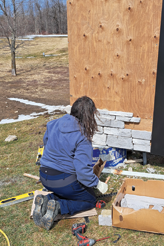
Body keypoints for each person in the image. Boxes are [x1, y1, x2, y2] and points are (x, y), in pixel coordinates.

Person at [33, 96, 108, 230]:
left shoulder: (54, 123)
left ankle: (46, 200)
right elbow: (82, 172)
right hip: (64, 181)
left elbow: (46, 143)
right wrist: (97, 183)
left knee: (70, 191)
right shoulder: (82, 136)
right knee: (89, 199)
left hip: (44, 175)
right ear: (89, 116)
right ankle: (59, 206)